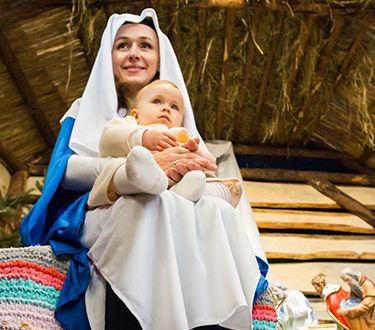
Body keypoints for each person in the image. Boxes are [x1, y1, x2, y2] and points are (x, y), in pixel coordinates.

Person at [20, 8, 269, 330]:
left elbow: (203, 172)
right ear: (108, 56)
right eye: (123, 45)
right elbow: (64, 173)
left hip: (176, 204)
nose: (134, 54)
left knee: (211, 212)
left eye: (145, 46)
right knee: (145, 203)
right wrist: (138, 167)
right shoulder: (88, 110)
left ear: (159, 57)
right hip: (103, 204)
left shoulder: (176, 119)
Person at [87, 79, 242, 207]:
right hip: (137, 178)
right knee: (132, 166)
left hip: (176, 180)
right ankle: (160, 185)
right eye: (157, 101)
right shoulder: (131, 124)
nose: (166, 108)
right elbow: (107, 140)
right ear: (136, 113)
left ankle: (183, 193)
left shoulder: (183, 135)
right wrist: (142, 136)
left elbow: (206, 162)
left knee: (220, 186)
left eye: (174, 107)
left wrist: (199, 159)